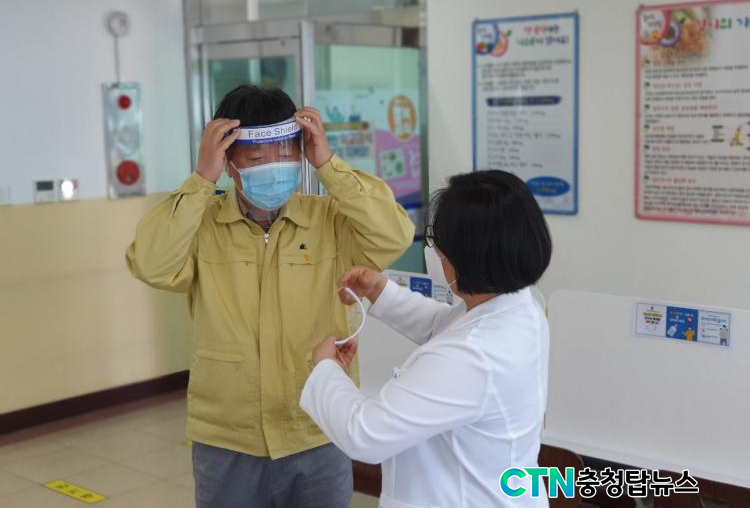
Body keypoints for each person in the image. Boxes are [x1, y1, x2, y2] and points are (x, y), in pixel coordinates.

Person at [125, 85, 414, 508]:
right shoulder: (201, 224)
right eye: (257, 158)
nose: (275, 167)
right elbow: (151, 264)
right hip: (228, 437)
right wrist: (201, 180)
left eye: (285, 153)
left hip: (317, 426)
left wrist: (328, 165)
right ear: (228, 163)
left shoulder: (328, 220)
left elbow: (395, 234)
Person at [300, 169, 553, 508]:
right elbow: (444, 325)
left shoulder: (472, 357)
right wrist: (380, 291)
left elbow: (365, 435)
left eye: (438, 245)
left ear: (463, 257)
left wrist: (325, 369)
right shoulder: (521, 307)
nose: (436, 253)